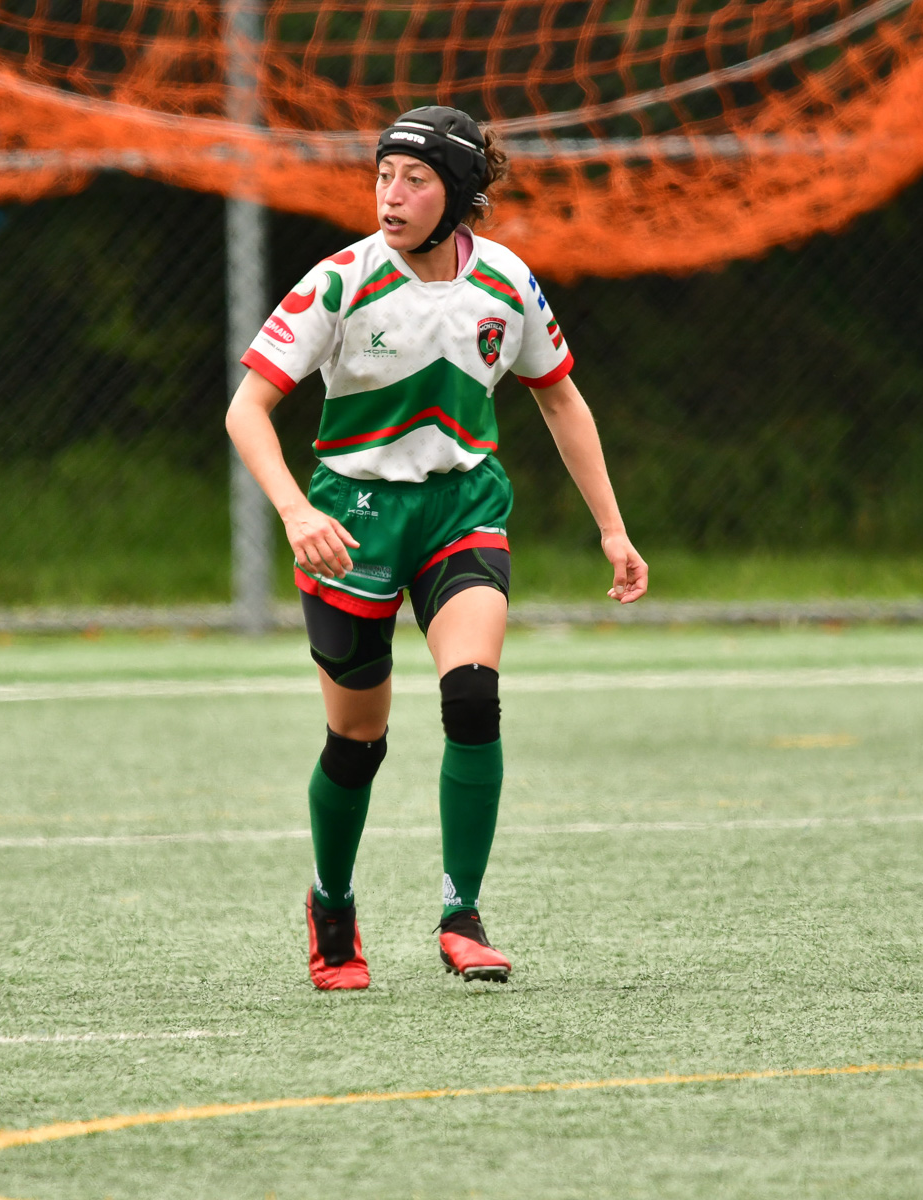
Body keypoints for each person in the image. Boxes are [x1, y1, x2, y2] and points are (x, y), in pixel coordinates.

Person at [225, 105, 648, 991]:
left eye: (415, 179)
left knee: (473, 698)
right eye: (383, 174)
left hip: (463, 511)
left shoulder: (506, 283)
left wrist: (612, 528)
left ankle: (463, 915)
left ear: (456, 195)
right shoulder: (339, 283)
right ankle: (332, 904)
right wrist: (299, 513)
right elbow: (246, 410)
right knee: (358, 740)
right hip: (353, 523)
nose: (392, 193)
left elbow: (561, 400)